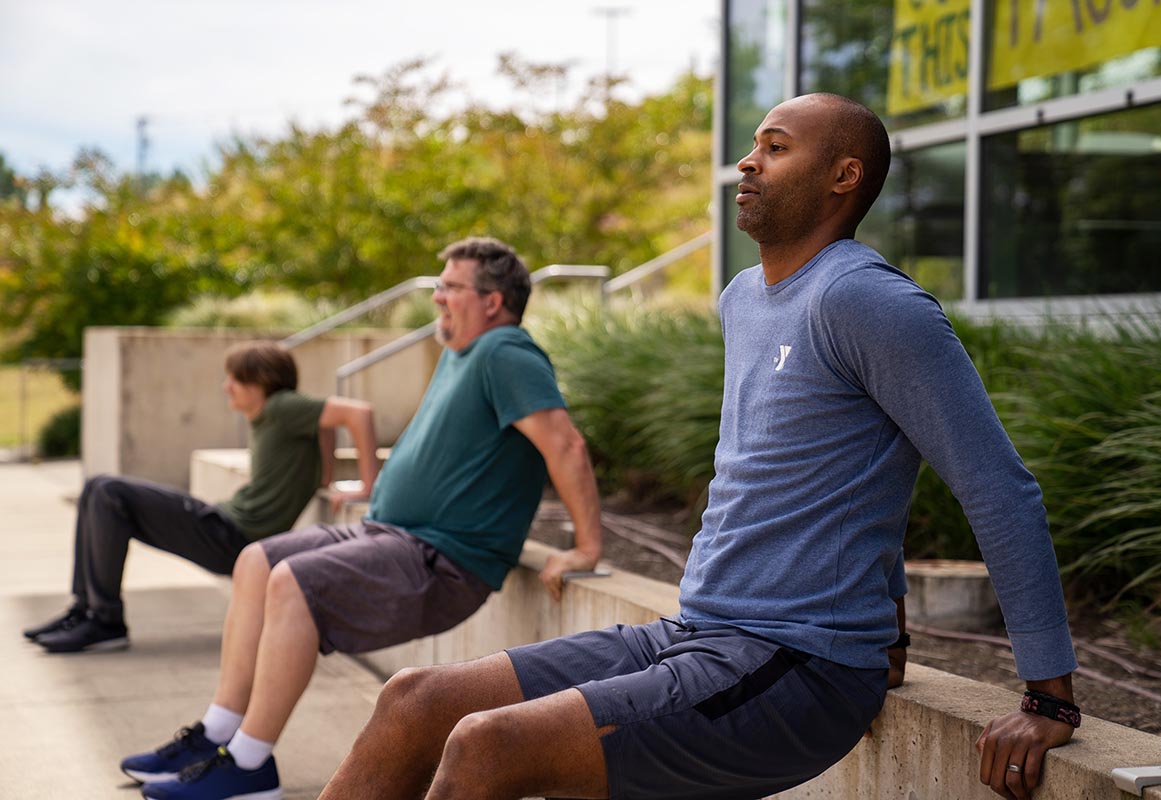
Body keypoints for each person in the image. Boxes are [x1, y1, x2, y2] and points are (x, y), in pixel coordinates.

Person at [316, 94, 1081, 800]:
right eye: (753, 146)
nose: (748, 163)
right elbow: (825, 464)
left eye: (776, 149)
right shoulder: (744, 298)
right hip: (696, 632)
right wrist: (895, 626)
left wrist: (1049, 695)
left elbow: (997, 488)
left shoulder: (873, 302)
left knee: (487, 746)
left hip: (796, 668)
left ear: (844, 177)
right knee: (415, 700)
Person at [121, 237, 604, 800]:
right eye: (438, 285)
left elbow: (565, 445)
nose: (437, 297)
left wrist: (586, 547)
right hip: (389, 533)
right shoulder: (462, 354)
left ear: (493, 301)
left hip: (439, 556)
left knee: (292, 582)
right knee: (256, 559)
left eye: (450, 286)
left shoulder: (507, 353)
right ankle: (218, 733)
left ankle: (249, 766)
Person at [23, 341, 380, 654]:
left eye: (236, 379)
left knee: (108, 491)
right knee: (95, 489)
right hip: (224, 525)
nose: (227, 387)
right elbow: (325, 423)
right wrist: (326, 476)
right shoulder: (280, 414)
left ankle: (103, 620)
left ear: (263, 382)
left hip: (233, 536)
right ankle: (85, 610)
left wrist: (368, 487)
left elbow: (358, 413)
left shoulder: (281, 406)